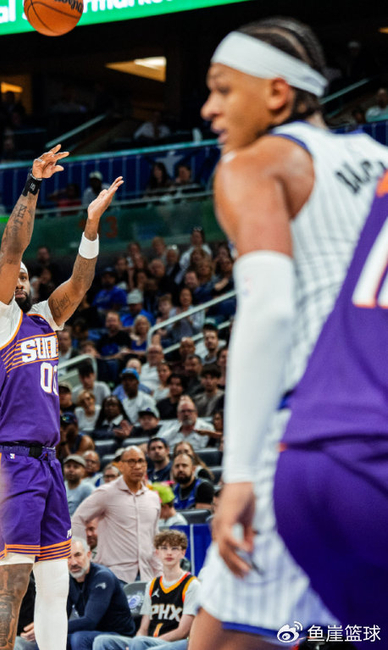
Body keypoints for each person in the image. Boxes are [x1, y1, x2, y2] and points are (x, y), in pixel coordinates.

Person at [191, 18, 373, 648]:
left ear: (276, 92)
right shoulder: (380, 160)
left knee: (220, 639)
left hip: (313, 434)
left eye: (222, 89)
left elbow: (267, 311)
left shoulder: (255, 163)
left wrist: (238, 472)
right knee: (346, 632)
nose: (209, 108)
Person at [0, 144, 123, 650]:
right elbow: (12, 249)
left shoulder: (42, 316)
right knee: (13, 580)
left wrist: (90, 226)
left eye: (24, 276)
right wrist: (34, 183)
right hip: (13, 461)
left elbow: (80, 284)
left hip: (48, 461)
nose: (20, 277)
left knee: (56, 581)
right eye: (11, 276)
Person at [94, 530, 200, 650]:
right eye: (164, 548)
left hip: (176, 644)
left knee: (139, 643)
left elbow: (183, 631)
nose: (169, 553)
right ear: (157, 553)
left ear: (183, 553)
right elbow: (143, 629)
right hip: (147, 643)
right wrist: (134, 644)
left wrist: (145, 643)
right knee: (102, 641)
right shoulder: (152, 585)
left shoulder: (192, 584)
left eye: (174, 548)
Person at [72, 446, 161, 583]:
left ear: (146, 465)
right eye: (131, 461)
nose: (137, 466)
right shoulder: (106, 493)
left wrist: (160, 572)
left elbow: (154, 538)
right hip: (114, 576)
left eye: (140, 461)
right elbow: (77, 519)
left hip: (147, 576)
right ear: (121, 466)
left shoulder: (153, 498)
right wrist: (84, 557)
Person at [65, 537, 136, 650]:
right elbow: (62, 615)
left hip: (118, 635)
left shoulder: (102, 577)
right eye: (68, 557)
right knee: (49, 640)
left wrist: (54, 628)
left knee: (79, 638)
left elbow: (90, 621)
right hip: (92, 632)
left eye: (78, 555)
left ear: (89, 555)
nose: (73, 562)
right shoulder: (68, 580)